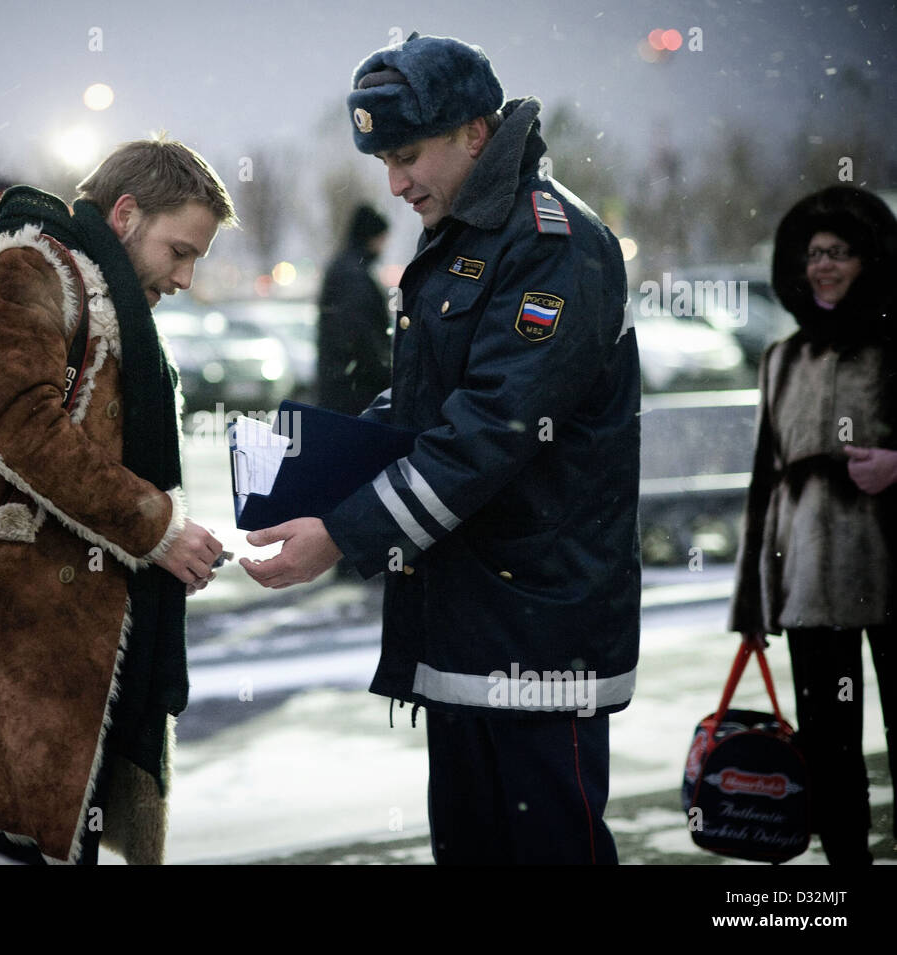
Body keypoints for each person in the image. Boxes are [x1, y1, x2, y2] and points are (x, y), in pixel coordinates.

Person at [240, 32, 641, 864]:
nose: (395, 183)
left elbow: (489, 430)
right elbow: (432, 407)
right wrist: (315, 464)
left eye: (409, 154)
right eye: (384, 159)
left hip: (538, 634)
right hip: (465, 625)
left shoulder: (552, 243)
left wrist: (345, 533)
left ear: (476, 133)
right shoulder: (464, 236)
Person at [0, 136, 236, 865]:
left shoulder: (105, 293)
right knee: (33, 848)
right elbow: (22, 427)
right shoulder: (28, 268)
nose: (185, 277)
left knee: (63, 847)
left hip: (88, 630)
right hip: (27, 630)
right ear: (124, 214)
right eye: (179, 251)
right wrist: (157, 529)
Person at [730, 184, 897, 865]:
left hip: (888, 570)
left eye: (840, 252)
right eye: (814, 253)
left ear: (870, 261)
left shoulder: (893, 348)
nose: (824, 265)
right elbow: (763, 484)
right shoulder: (781, 358)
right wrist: (751, 602)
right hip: (807, 585)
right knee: (829, 749)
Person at [316, 204, 392, 415]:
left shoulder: (344, 267)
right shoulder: (354, 275)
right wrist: (387, 374)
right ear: (372, 236)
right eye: (382, 238)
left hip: (342, 387)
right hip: (354, 393)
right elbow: (361, 335)